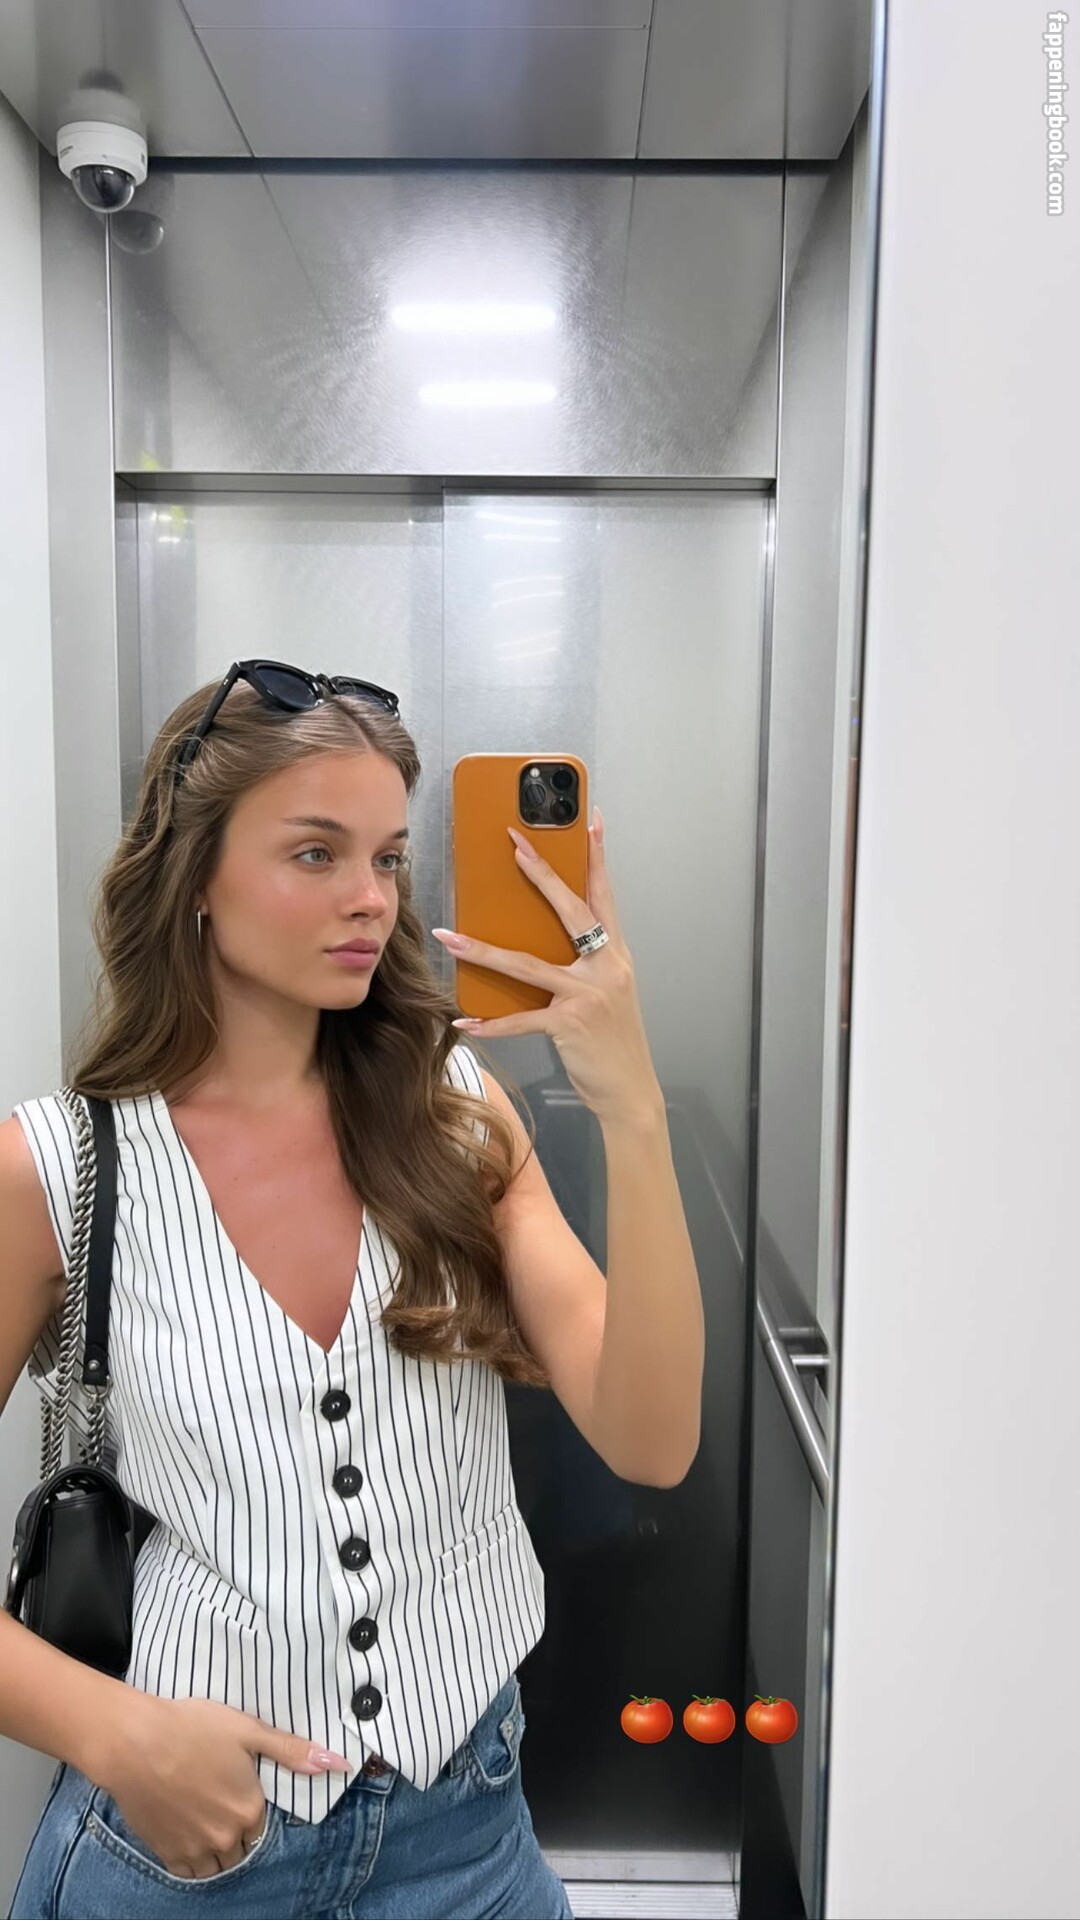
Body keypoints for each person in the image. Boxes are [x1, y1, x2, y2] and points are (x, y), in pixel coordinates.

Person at [1, 661, 701, 1916]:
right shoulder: (58, 1166)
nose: (370, 898)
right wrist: (116, 1734)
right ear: (195, 876)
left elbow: (651, 1438)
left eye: (386, 857)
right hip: (189, 1855)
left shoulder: (458, 1116)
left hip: (470, 1841)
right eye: (315, 853)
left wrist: (633, 1111)